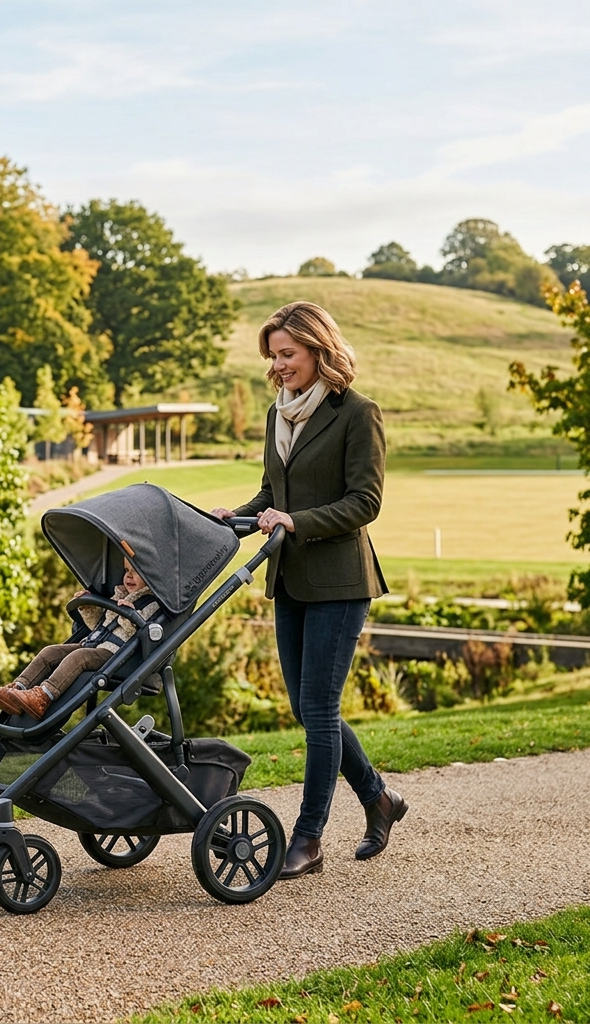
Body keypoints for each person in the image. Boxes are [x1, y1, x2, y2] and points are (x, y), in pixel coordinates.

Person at [212, 300, 406, 879]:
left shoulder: (357, 413)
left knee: (319, 710)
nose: (278, 366)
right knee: (304, 706)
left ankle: (308, 838)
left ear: (318, 350)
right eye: (273, 356)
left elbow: (364, 502)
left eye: (288, 354)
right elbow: (273, 491)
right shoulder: (280, 414)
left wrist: (298, 521)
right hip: (289, 577)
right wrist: (235, 517)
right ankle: (378, 798)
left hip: (340, 580)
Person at [0, 558, 164, 720]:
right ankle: (17, 689)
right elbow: (99, 625)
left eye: (135, 572)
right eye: (126, 571)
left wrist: (129, 613)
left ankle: (43, 697)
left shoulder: (151, 603)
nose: (128, 577)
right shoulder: (120, 594)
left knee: (79, 657)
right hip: (95, 643)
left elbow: (142, 632)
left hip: (117, 655)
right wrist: (88, 607)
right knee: (50, 652)